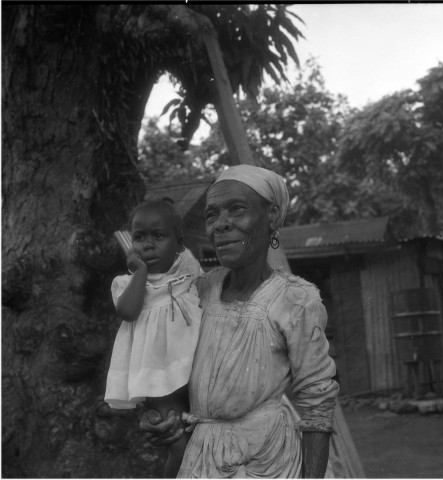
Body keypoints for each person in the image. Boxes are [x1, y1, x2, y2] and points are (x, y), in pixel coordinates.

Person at [140, 165, 339, 478]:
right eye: (212, 214)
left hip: (269, 462)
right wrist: (165, 419)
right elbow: (175, 376)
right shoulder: (198, 292)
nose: (221, 225)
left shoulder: (295, 299)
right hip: (202, 461)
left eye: (236, 210)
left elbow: (317, 406)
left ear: (271, 216)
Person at [105, 198, 203, 478]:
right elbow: (127, 311)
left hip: (193, 371)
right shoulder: (127, 283)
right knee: (181, 448)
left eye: (158, 236)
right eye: (139, 237)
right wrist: (142, 273)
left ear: (180, 244)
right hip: (158, 384)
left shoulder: (187, 273)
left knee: (203, 439)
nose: (147, 244)